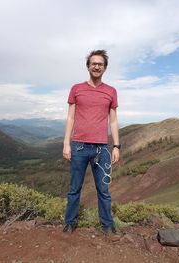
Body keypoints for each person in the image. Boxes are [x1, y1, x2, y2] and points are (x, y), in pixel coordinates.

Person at [62, 50, 120, 235]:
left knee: (103, 190)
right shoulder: (76, 89)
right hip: (78, 146)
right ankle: (70, 223)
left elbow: (113, 121)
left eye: (100, 64)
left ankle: (107, 225)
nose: (96, 66)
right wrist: (66, 143)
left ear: (105, 68)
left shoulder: (111, 91)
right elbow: (70, 118)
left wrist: (116, 146)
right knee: (74, 189)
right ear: (88, 66)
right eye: (93, 63)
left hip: (101, 149)